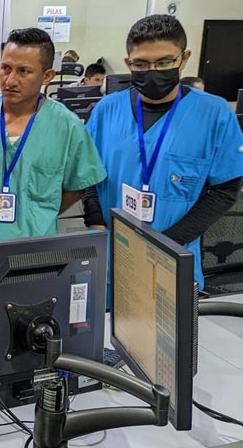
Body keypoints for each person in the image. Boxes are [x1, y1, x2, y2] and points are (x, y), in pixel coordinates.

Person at [83, 15, 243, 291]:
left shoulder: (214, 114)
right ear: (128, 63)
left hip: (174, 257)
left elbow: (225, 190)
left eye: (164, 62)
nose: (153, 71)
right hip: (112, 255)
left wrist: (167, 244)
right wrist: (97, 226)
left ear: (184, 58)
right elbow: (89, 176)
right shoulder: (106, 110)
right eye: (141, 64)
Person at [0, 28, 107, 244]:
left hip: (33, 246)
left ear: (47, 76)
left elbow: (76, 188)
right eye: (5, 68)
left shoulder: (67, 127)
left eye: (24, 71)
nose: (10, 80)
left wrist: (35, 212)